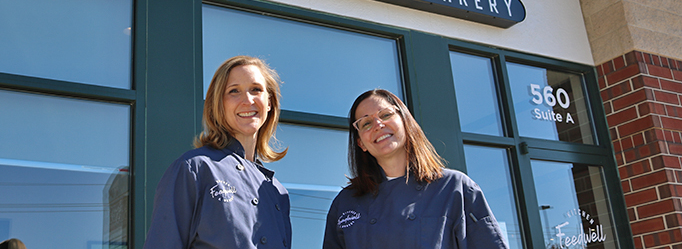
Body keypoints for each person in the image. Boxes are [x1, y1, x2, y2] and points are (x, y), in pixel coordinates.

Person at [323, 89, 508, 249]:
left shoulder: (455, 188)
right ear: (360, 143)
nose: (378, 125)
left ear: (405, 121)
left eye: (386, 115)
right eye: (366, 124)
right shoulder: (345, 203)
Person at [143, 56, 291, 249]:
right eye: (234, 91)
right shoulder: (194, 169)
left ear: (269, 102)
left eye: (256, 89)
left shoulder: (278, 192)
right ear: (218, 104)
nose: (247, 100)